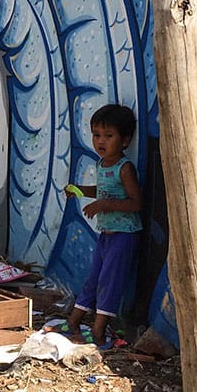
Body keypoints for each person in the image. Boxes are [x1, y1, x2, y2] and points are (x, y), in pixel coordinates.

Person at [63, 104, 143, 348]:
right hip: (106, 235)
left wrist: (104, 204)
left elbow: (136, 203)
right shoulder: (102, 165)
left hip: (124, 236)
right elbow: (102, 190)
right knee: (94, 277)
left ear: (125, 140)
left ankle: (98, 330)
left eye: (108, 136)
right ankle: (74, 322)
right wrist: (80, 191)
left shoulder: (125, 168)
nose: (101, 141)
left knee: (109, 281)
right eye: (97, 135)